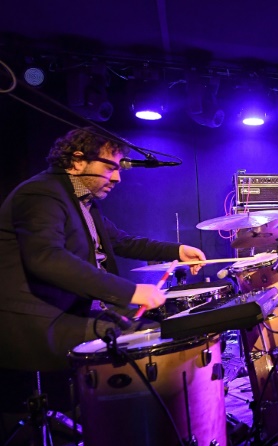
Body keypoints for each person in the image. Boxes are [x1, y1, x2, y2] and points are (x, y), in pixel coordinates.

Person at [0, 127, 206, 412]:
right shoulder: (40, 194)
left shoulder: (81, 201)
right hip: (38, 321)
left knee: (174, 323)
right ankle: (135, 428)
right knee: (153, 337)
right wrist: (131, 292)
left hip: (71, 309)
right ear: (77, 161)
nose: (118, 177)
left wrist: (176, 251)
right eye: (111, 167)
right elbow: (47, 258)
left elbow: (121, 241)